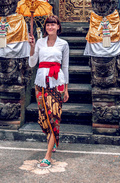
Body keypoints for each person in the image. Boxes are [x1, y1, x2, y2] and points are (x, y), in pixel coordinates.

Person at [28, 15, 69, 168]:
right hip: (40, 84)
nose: (50, 27)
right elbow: (32, 63)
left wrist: (66, 88)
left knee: (54, 118)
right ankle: (52, 141)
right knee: (43, 117)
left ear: (58, 27)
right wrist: (31, 46)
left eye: (53, 24)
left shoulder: (64, 44)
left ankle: (48, 155)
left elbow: (65, 67)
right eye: (48, 25)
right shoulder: (39, 42)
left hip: (57, 83)